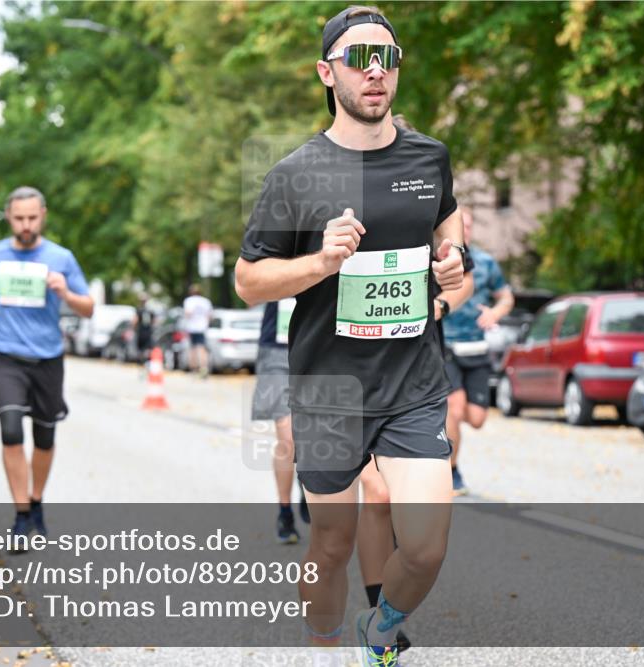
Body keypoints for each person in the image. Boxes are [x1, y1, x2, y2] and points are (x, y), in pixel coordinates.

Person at [235, 6, 474, 665]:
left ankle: (379, 628)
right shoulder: (295, 174)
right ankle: (321, 644)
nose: (376, 71)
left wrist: (454, 263)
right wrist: (319, 262)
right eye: (358, 58)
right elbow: (249, 280)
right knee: (332, 542)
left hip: (412, 383)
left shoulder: (429, 157)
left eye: (387, 58)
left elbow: (450, 231)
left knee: (425, 545)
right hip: (329, 389)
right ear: (325, 72)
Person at [0, 186, 93, 545]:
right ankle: (21, 515)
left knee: (44, 436)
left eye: (32, 218)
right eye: (19, 218)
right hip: (4, 354)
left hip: (48, 357)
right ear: (8, 216)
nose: (26, 224)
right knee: (9, 429)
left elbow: (89, 307)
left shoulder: (61, 257)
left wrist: (66, 293)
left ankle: (36, 501)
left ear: (43, 215)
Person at [441, 206, 514, 495]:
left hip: (477, 348)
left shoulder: (485, 262)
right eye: (462, 225)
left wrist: (496, 313)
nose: (466, 231)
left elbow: (506, 297)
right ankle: (452, 470)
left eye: (469, 226)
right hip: (447, 345)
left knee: (477, 418)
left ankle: (444, 444)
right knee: (454, 409)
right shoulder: (442, 259)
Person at [252, 299, 310, 544]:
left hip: (320, 347)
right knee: (288, 439)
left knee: (314, 438)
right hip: (278, 350)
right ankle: (284, 513)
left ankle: (308, 484)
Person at [182, 284, 213, 376]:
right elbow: (210, 316)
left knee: (193, 349)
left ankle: (194, 369)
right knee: (202, 349)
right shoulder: (205, 301)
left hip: (192, 327)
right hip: (202, 327)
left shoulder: (188, 301)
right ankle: (204, 368)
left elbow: (187, 314)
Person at [133, 295, 154, 364]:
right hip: (148, 331)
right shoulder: (150, 310)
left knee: (141, 349)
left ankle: (142, 361)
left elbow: (135, 321)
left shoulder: (139, 309)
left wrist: (133, 328)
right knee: (148, 348)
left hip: (141, 331)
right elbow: (154, 321)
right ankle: (147, 361)